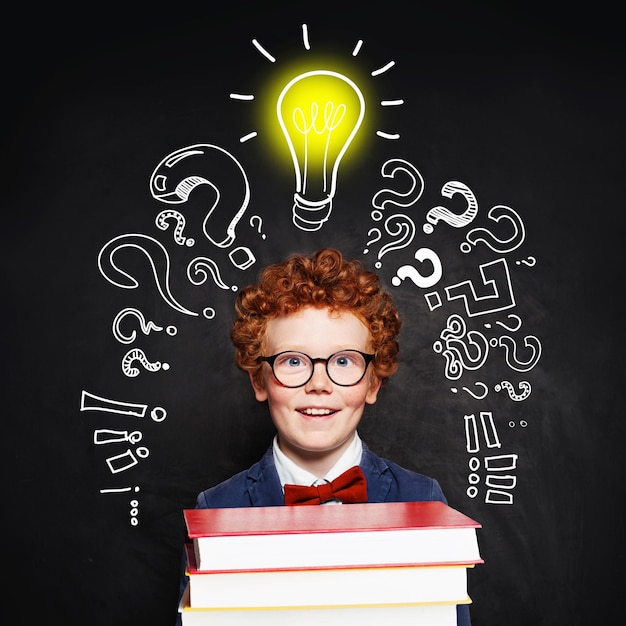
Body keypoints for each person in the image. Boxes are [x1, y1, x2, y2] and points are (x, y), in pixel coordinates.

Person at [177, 247, 472, 626]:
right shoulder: (215, 510)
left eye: (344, 361)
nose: (319, 384)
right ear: (259, 379)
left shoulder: (423, 500)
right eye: (294, 361)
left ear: (373, 381)